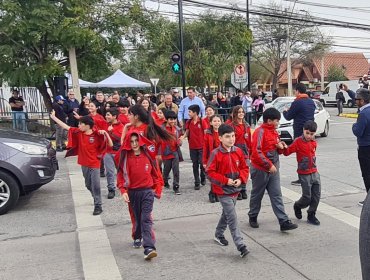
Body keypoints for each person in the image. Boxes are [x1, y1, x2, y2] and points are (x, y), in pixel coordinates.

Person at [50, 111, 112, 215]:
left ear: (87, 125)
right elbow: (66, 127)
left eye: (80, 124)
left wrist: (105, 133)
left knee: (96, 185)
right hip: (84, 163)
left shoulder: (97, 134)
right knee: (88, 185)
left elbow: (110, 144)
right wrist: (53, 117)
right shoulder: (79, 132)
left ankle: (98, 205)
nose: (78, 125)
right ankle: (95, 197)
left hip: (95, 163)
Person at [248, 107, 298, 232]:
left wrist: (281, 147)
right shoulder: (260, 132)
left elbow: (276, 147)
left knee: (276, 195)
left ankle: (283, 221)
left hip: (274, 169)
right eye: (277, 120)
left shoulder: (275, 132)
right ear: (269, 121)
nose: (278, 123)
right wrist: (268, 165)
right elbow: (256, 152)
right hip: (260, 169)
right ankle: (253, 216)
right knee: (257, 195)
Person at [116, 131, 163, 260]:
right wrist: (123, 191)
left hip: (147, 192)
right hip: (132, 192)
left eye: (136, 140)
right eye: (131, 141)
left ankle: (149, 247)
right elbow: (120, 175)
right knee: (137, 219)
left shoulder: (148, 155)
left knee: (146, 219)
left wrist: (157, 189)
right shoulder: (124, 157)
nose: (135, 143)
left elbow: (156, 174)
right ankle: (137, 236)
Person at [206, 123, 250, 258]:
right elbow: (209, 173)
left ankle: (218, 234)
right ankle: (240, 244)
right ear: (220, 138)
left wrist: (241, 179)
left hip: (235, 190)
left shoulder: (238, 151)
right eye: (227, 137)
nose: (231, 139)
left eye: (233, 136)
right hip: (223, 191)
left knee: (226, 214)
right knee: (232, 217)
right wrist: (225, 180)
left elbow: (244, 168)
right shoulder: (215, 154)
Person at [283, 120, 321, 225]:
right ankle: (298, 205)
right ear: (303, 130)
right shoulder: (298, 142)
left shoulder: (314, 142)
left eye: (312, 134)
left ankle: (311, 214)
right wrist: (283, 147)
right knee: (307, 197)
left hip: (314, 172)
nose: (309, 136)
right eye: (307, 133)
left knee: (316, 195)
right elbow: (287, 152)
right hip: (304, 174)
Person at [283, 83, 315, 186]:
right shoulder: (311, 102)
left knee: (301, 156)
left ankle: (302, 178)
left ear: (297, 91)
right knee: (309, 154)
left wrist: (285, 111)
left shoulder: (297, 102)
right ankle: (310, 176)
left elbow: (288, 116)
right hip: (310, 131)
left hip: (300, 132)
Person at [226, 106, 252, 200]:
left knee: (245, 170)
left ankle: (243, 189)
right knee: (236, 171)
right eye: (239, 112)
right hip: (235, 150)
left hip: (245, 150)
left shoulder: (247, 125)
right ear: (235, 114)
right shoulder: (231, 126)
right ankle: (237, 190)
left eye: (242, 112)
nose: (241, 113)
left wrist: (251, 152)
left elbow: (249, 140)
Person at [181, 104, 206, 190]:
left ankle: (203, 176)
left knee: (202, 164)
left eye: (190, 112)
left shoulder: (202, 121)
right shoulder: (188, 122)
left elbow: (206, 132)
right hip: (192, 147)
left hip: (202, 146)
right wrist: (183, 137)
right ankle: (197, 181)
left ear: (195, 112)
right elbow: (187, 132)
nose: (188, 113)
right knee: (195, 164)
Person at [352, 88, 370, 207]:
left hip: (365, 148)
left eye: (357, 99)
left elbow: (358, 131)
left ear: (362, 101)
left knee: (367, 174)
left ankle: (368, 201)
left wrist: (354, 125)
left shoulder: (363, 114)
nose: (355, 101)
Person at [161, 110, 183, 195]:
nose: (173, 121)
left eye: (174, 119)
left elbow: (180, 138)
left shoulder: (177, 129)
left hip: (175, 152)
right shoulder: (161, 129)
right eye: (171, 119)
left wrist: (180, 142)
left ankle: (176, 186)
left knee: (176, 170)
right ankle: (165, 181)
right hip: (166, 152)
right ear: (166, 119)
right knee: (166, 171)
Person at [104, 107, 124, 199]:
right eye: (106, 114)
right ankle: (111, 189)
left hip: (118, 152)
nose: (106, 116)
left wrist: (111, 132)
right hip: (107, 152)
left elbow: (120, 139)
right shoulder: (105, 124)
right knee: (109, 172)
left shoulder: (122, 126)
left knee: (122, 171)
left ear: (114, 116)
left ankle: (124, 187)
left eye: (108, 115)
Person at [203, 115, 222, 203]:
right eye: (214, 121)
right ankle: (212, 193)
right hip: (212, 158)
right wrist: (204, 161)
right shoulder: (208, 133)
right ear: (210, 123)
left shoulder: (223, 133)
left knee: (220, 177)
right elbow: (205, 148)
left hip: (222, 158)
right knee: (213, 177)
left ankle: (216, 193)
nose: (217, 123)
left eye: (218, 121)